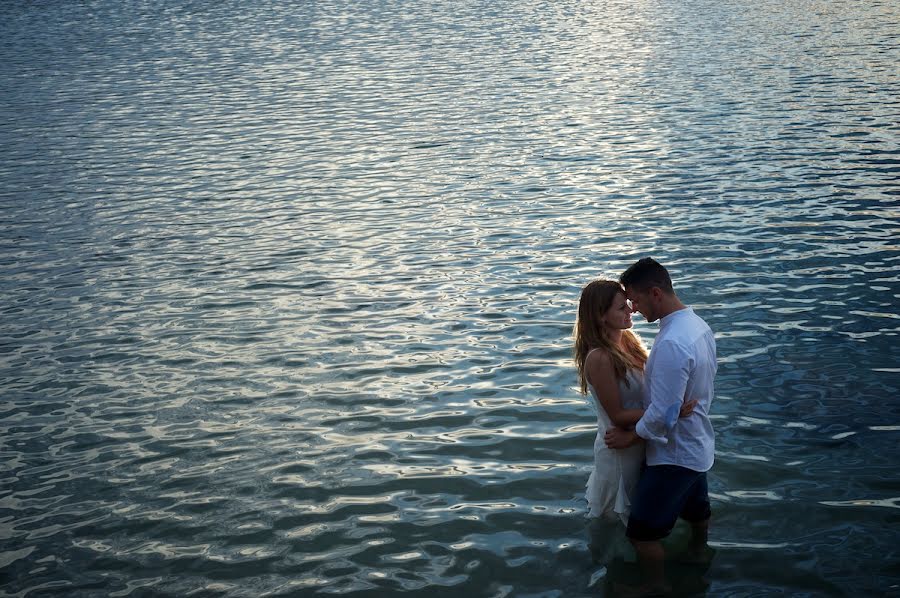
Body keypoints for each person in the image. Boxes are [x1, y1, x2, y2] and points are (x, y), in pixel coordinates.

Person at [605, 258, 717, 596]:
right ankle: (699, 555)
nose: (634, 310)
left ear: (656, 293)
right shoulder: (697, 326)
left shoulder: (671, 343)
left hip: (673, 454)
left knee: (642, 533)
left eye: (636, 301)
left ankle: (656, 588)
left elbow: (663, 414)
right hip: (698, 444)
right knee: (697, 512)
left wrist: (630, 437)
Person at [574, 280, 694, 526]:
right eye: (621, 308)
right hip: (620, 453)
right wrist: (668, 412)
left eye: (628, 304)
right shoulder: (599, 357)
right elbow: (617, 415)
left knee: (647, 517)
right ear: (600, 316)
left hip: (642, 441)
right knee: (620, 523)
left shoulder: (628, 340)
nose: (631, 311)